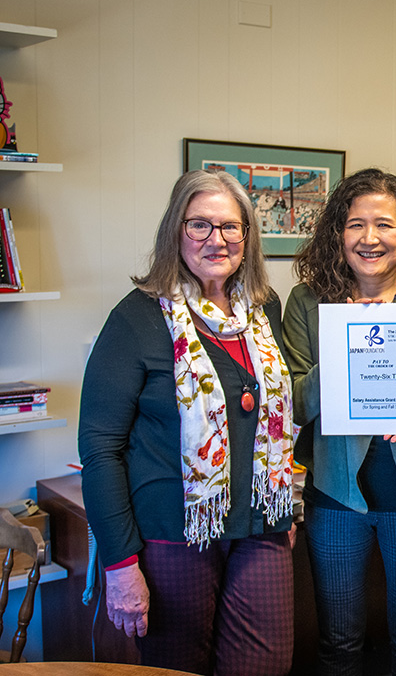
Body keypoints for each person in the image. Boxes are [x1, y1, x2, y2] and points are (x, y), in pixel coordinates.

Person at [79, 170, 295, 675]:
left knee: (268, 663)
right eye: (199, 225)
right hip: (171, 533)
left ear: (248, 235)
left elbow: (274, 416)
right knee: (177, 667)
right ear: (175, 231)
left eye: (230, 226)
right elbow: (100, 450)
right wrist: (119, 565)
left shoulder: (266, 310)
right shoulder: (136, 319)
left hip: (261, 524)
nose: (216, 240)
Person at [282, 168, 396, 676]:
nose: (369, 238)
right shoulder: (307, 304)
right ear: (338, 235)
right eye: (355, 224)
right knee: (338, 641)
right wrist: (349, 342)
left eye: (385, 224)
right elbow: (292, 402)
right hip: (336, 497)